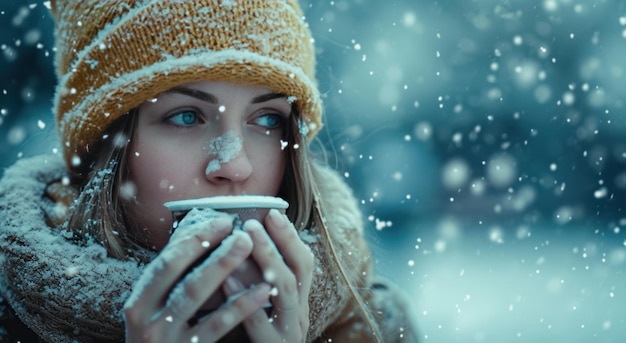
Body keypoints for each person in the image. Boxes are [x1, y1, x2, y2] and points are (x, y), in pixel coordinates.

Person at [0, 0, 418, 342]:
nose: (234, 165)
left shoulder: (376, 325)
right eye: (185, 117)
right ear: (106, 149)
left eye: (268, 120)